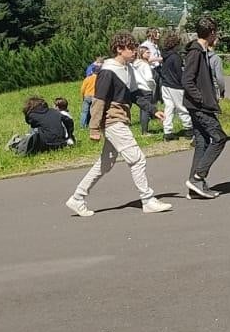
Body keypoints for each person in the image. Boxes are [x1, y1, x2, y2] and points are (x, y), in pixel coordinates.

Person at [65, 32, 172, 217]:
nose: (134, 51)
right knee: (137, 159)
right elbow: (98, 101)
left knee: (105, 164)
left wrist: (153, 110)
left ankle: (77, 198)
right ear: (119, 49)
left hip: (121, 118)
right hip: (112, 120)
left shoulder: (128, 69)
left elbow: (135, 95)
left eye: (134, 48)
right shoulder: (108, 71)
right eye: (130, 48)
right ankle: (147, 200)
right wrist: (94, 128)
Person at [182, 16, 228, 199]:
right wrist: (200, 99)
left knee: (202, 142)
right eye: (215, 32)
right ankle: (198, 177)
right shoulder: (195, 52)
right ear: (211, 32)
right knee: (219, 138)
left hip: (199, 105)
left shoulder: (201, 51)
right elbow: (187, 80)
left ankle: (195, 188)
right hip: (200, 106)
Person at [157, 32, 192, 140]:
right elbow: (179, 73)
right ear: (176, 44)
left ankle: (167, 131)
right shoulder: (176, 57)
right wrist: (184, 84)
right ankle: (188, 128)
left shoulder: (164, 56)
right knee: (182, 108)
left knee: (169, 108)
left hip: (165, 85)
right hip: (176, 86)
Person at [133, 45, 162, 134]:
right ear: (142, 53)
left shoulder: (135, 64)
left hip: (138, 87)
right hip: (146, 88)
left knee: (143, 109)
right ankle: (145, 131)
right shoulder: (145, 65)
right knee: (146, 110)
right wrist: (153, 86)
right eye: (147, 52)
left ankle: (144, 130)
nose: (149, 54)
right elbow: (149, 78)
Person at [79, 58, 103, 128]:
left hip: (87, 96)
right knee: (94, 111)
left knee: (84, 112)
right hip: (95, 96)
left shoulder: (87, 78)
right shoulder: (100, 79)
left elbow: (82, 89)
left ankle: (83, 125)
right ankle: (94, 124)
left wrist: (82, 96)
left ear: (92, 71)